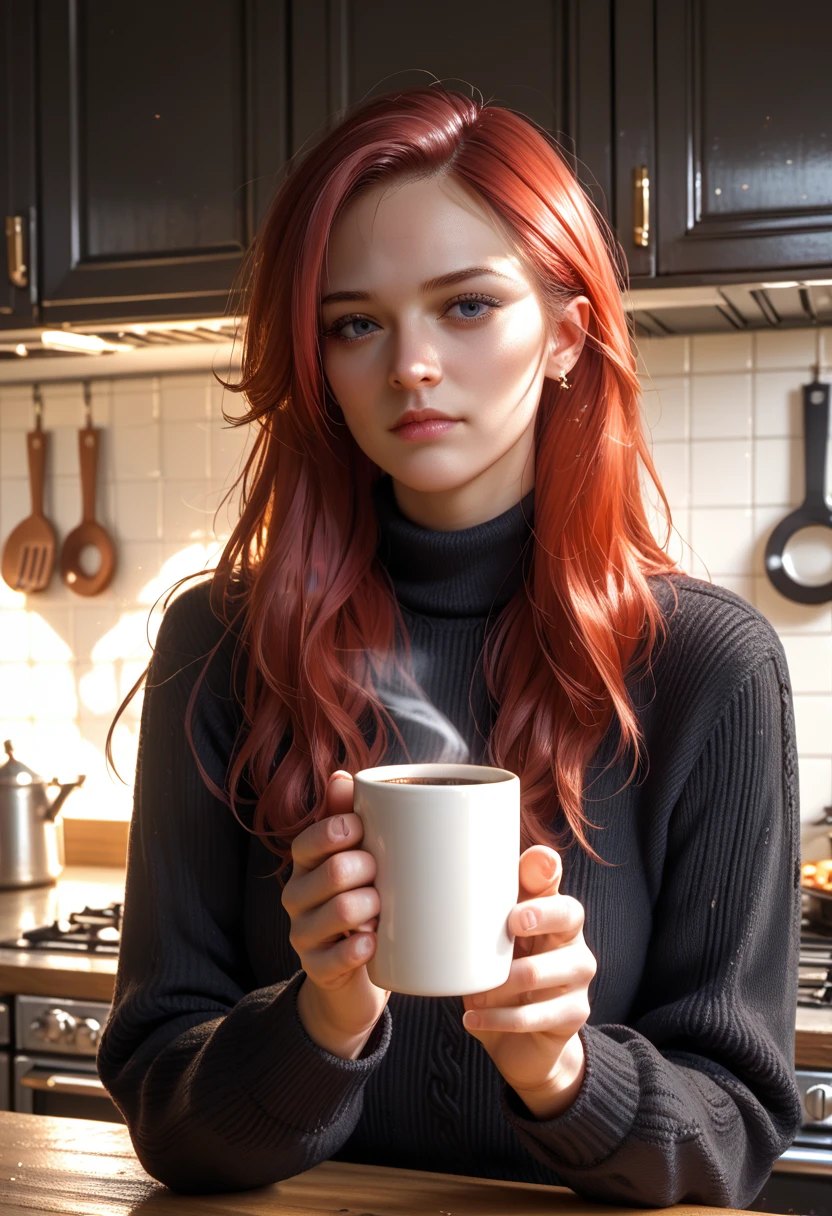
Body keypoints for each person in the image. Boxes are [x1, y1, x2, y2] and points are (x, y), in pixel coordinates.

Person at [97, 86, 802, 1206]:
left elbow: (734, 1135)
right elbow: (170, 1123)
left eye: (466, 306)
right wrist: (320, 1015)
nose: (409, 365)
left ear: (566, 333)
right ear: (318, 360)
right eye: (355, 322)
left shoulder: (708, 666)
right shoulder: (220, 642)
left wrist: (565, 1071)